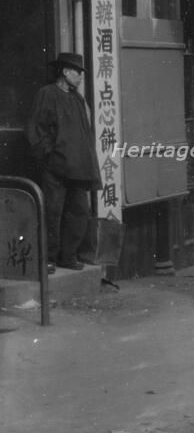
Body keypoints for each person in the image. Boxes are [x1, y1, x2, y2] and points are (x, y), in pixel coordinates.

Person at [27, 53, 102, 274]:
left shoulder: (77, 99)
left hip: (79, 168)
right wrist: (49, 157)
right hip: (56, 168)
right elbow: (35, 129)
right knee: (52, 212)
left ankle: (68, 257)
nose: (80, 77)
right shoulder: (47, 94)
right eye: (77, 72)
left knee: (79, 213)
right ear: (65, 72)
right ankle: (48, 258)